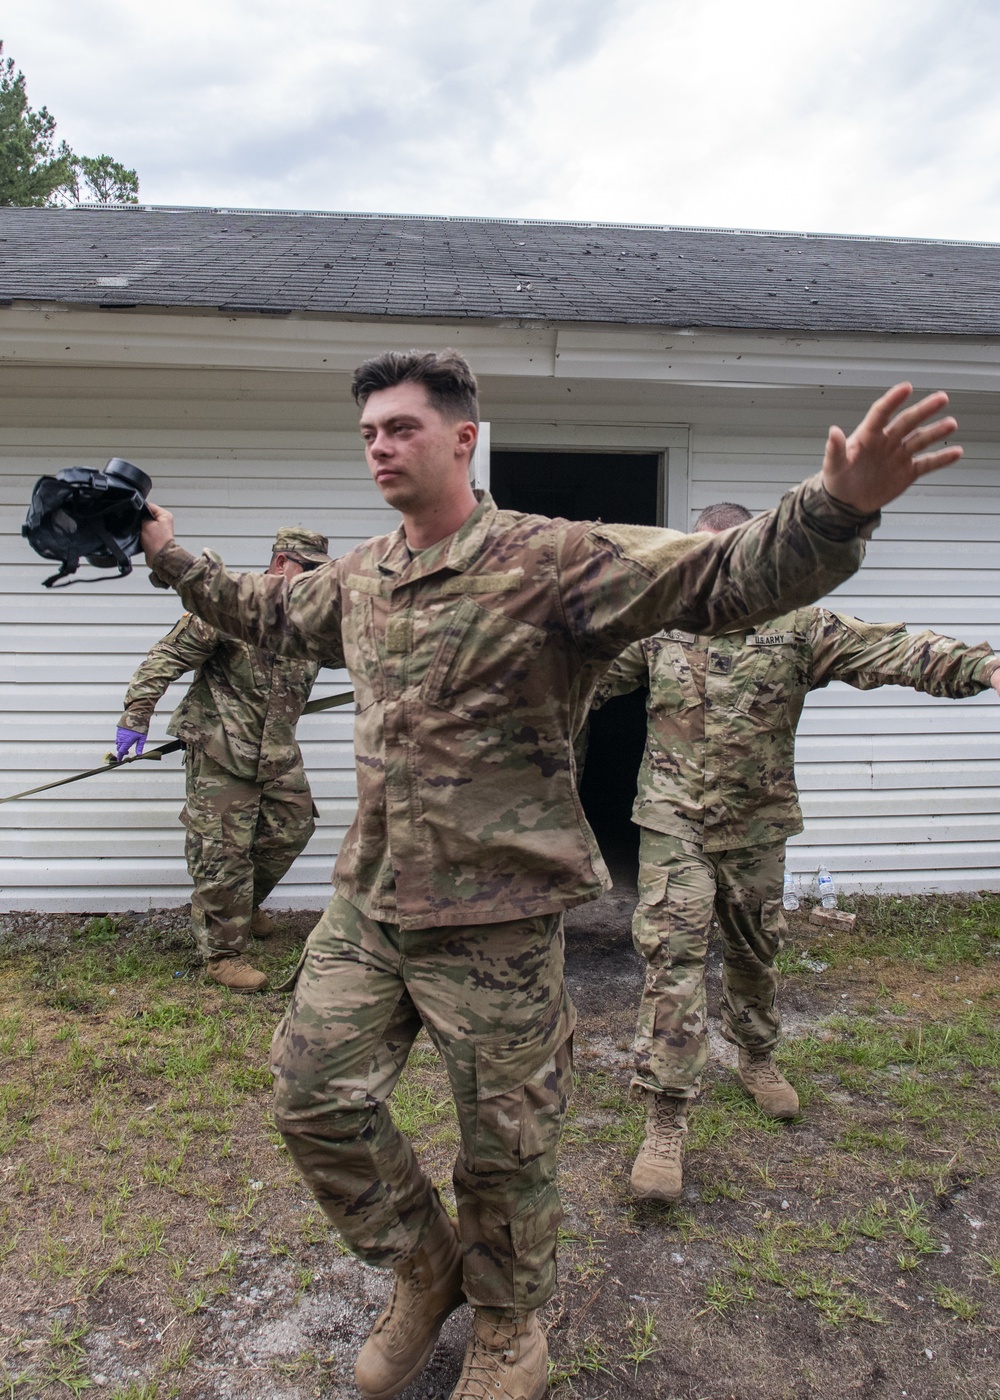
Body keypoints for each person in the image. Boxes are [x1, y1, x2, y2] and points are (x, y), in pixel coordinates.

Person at [137, 349, 961, 1400]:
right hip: (374, 903)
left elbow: (719, 578)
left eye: (401, 427)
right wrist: (164, 548)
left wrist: (836, 508)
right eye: (368, 433)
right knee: (310, 1097)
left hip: (500, 916)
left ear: (463, 437)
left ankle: (509, 1327)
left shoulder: (555, 559)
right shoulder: (360, 575)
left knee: (506, 1145)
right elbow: (263, 612)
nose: (380, 447)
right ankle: (425, 1268)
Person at [594, 500, 1000, 1204]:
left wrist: (983, 666)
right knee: (674, 959)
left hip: (756, 824)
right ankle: (665, 1122)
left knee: (754, 952)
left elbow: (892, 650)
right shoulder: (660, 625)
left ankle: (755, 1056)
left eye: (729, 558)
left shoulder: (800, 624)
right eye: (703, 559)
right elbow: (583, 677)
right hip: (672, 820)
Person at [116, 526, 333, 992]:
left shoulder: (311, 620)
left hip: (276, 750)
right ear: (280, 564)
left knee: (293, 829)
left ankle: (244, 906)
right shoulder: (229, 609)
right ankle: (222, 954)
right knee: (222, 852)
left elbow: (360, 647)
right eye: (308, 569)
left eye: (321, 572)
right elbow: (167, 656)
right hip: (220, 747)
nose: (315, 578)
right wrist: (136, 715)